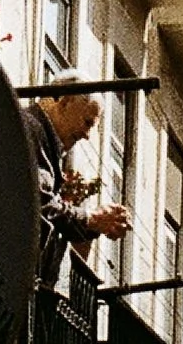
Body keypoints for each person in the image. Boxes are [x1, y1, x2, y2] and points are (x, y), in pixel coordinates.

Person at [24, 90, 130, 284]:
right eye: (87, 122)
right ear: (65, 102)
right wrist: (91, 218)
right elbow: (39, 204)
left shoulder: (42, 140)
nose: (87, 135)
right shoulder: (32, 131)